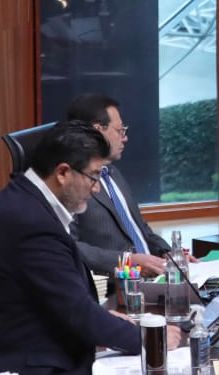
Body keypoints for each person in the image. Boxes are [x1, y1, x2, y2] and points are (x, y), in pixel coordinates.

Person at [0, 122, 182, 375]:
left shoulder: (24, 201)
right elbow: (78, 314)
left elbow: (59, 297)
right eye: (93, 176)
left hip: (39, 353)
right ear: (63, 172)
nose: (97, 188)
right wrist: (150, 338)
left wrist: (108, 320)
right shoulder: (31, 222)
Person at [66, 93, 179, 276]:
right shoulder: (72, 182)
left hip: (154, 276)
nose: (125, 138)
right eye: (120, 131)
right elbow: (70, 247)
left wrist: (169, 255)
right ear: (98, 130)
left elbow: (140, 228)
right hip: (118, 285)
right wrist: (129, 261)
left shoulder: (112, 172)